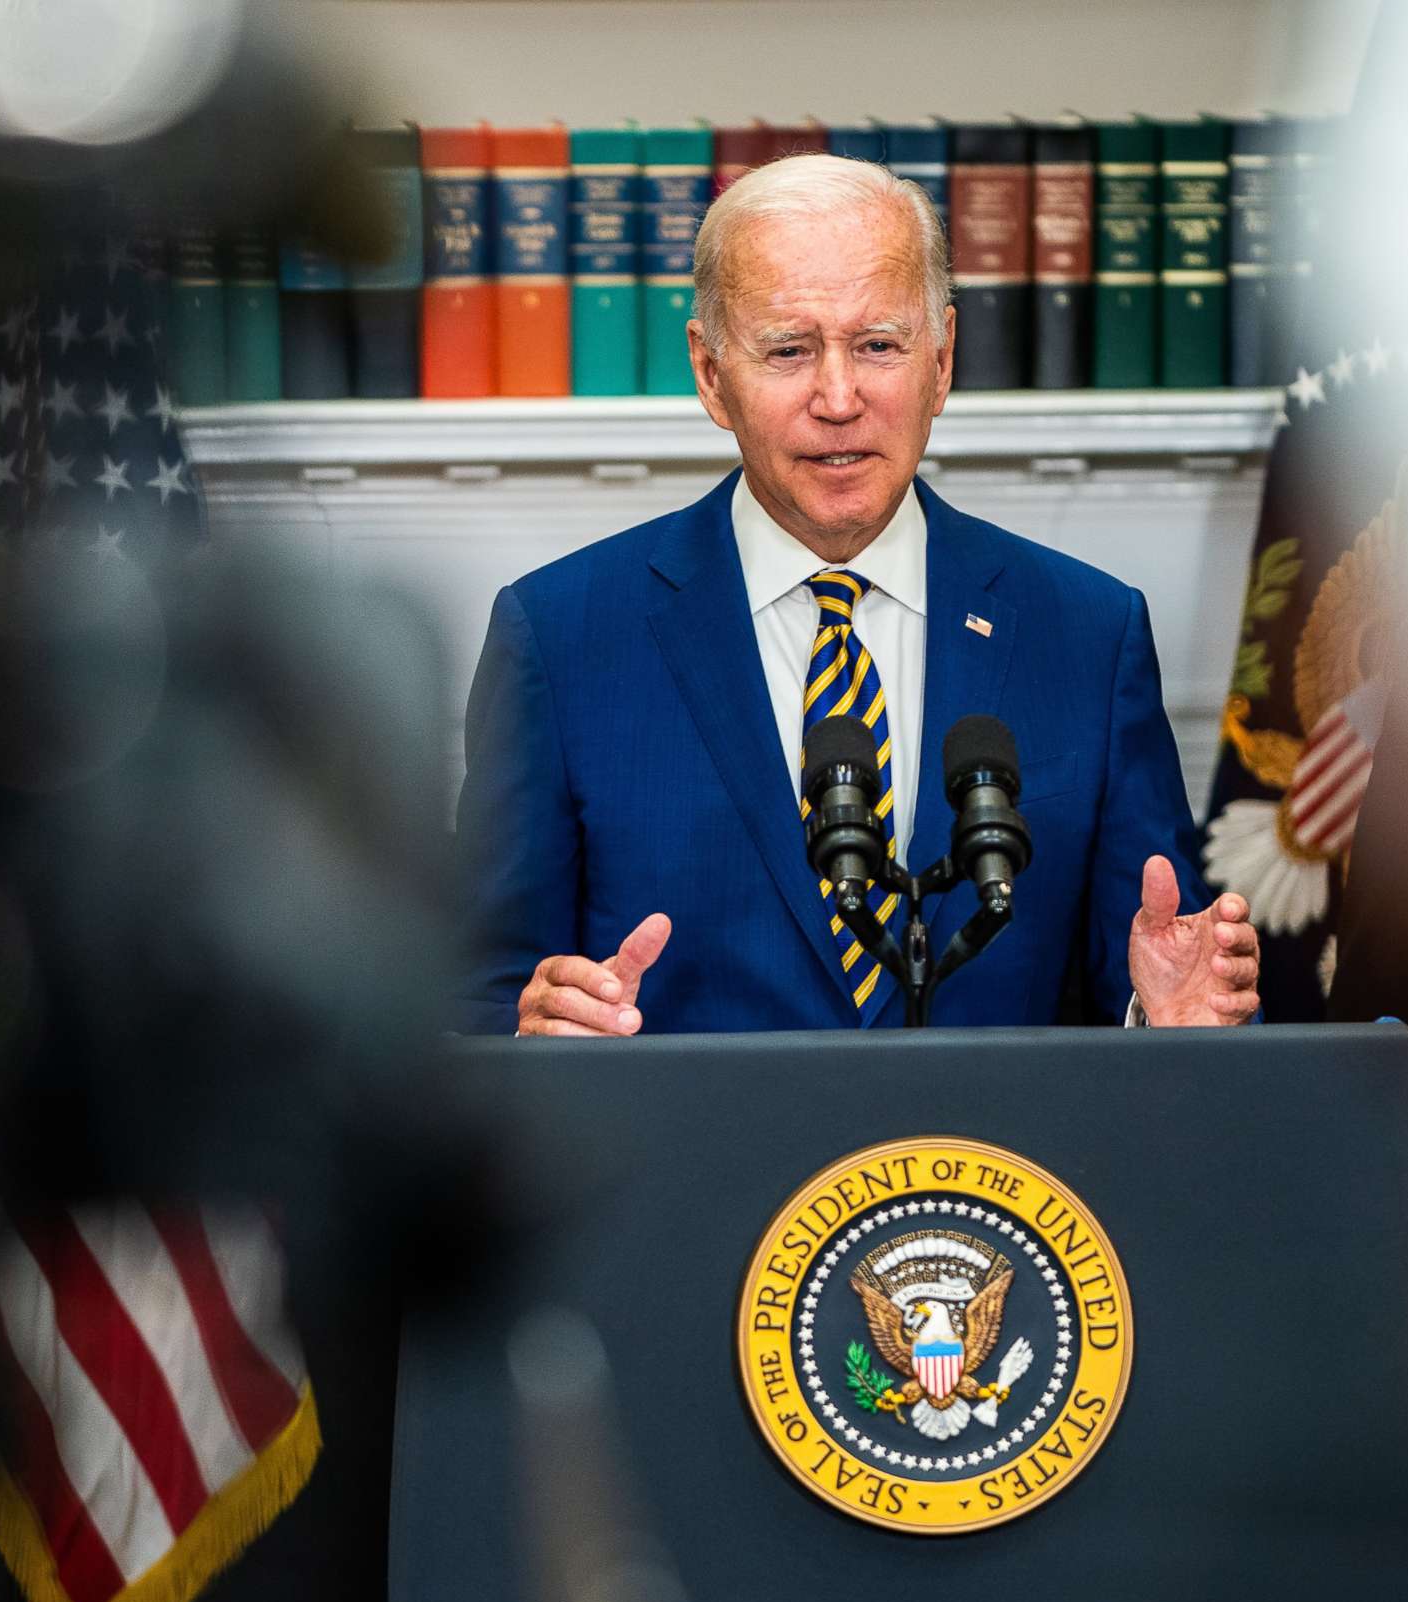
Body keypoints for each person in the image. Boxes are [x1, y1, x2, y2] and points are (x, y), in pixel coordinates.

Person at [454, 154, 1259, 1035]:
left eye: (878, 345)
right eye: (789, 350)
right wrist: (532, 1034)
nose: (838, 399)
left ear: (942, 360)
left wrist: (1172, 1015)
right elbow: (469, 1008)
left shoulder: (1089, 634)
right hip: (693, 1170)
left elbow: (1154, 979)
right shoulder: (561, 639)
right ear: (711, 374)